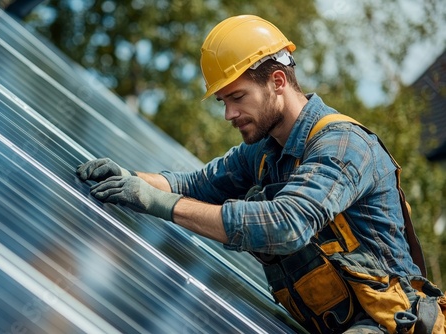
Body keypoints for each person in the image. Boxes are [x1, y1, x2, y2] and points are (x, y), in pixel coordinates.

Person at [76, 15, 445, 333]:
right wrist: (132, 179)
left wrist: (160, 204)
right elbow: (194, 185)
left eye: (237, 97)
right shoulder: (265, 151)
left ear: (278, 82)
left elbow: (286, 223)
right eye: (223, 102)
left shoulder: (342, 146)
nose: (229, 114)